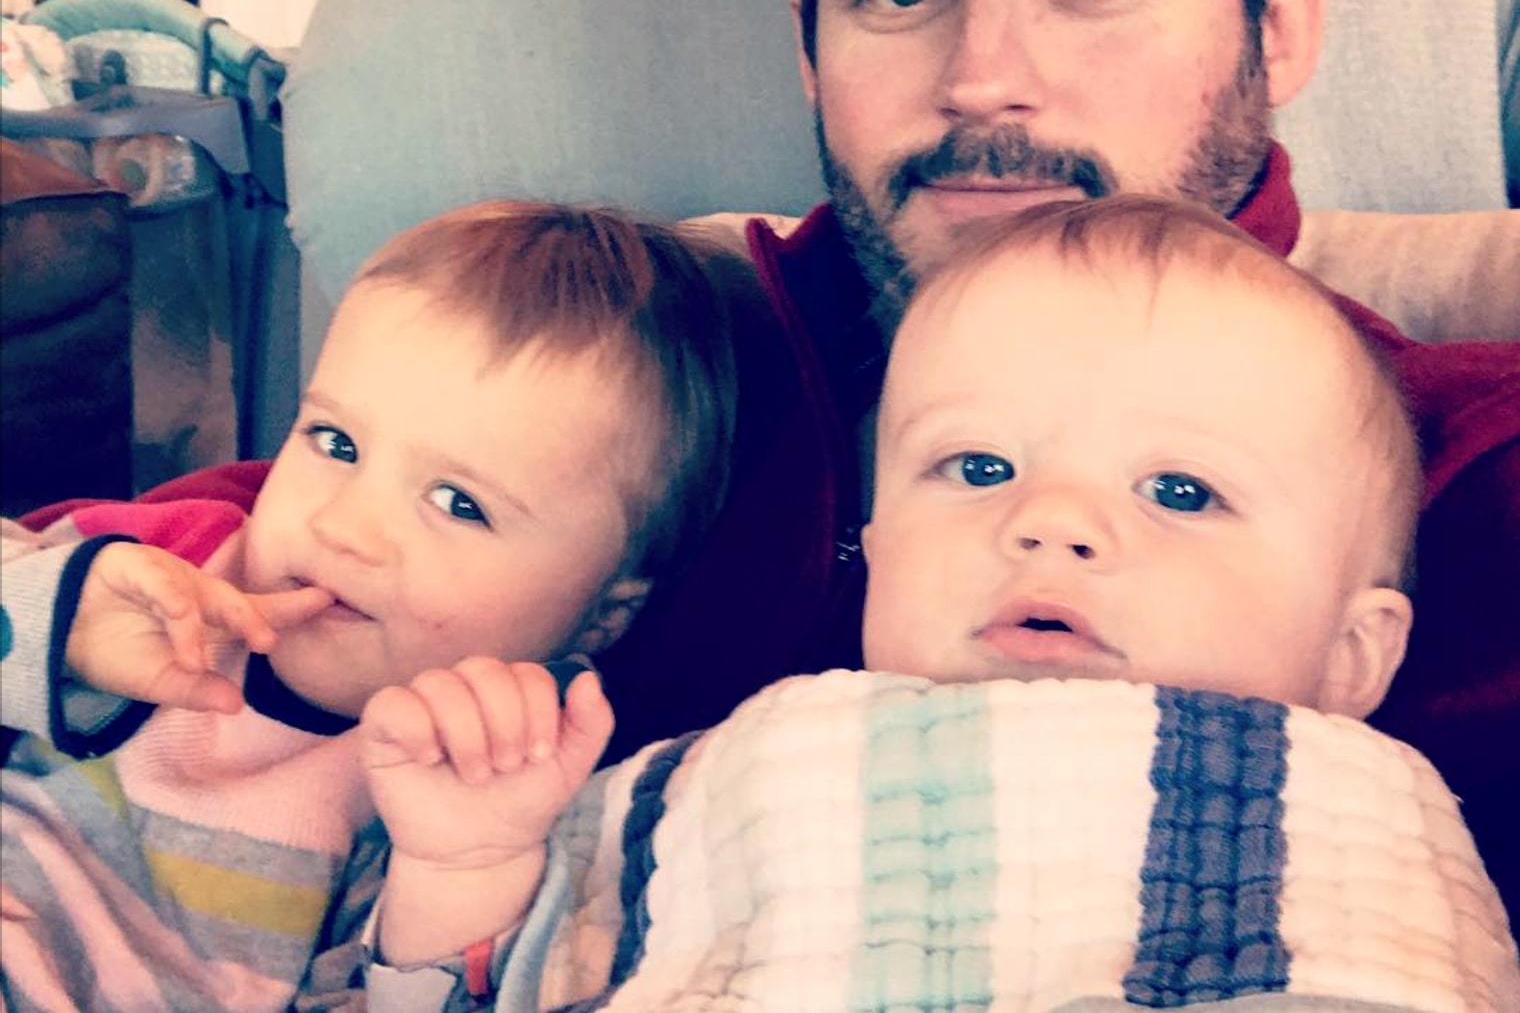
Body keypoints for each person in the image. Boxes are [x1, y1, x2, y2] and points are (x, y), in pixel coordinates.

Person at [582, 0, 1520, 927]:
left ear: (1279, 21)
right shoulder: (648, 367)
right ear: (807, 49)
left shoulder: (1472, 475)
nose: (983, 80)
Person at [356, 198, 1520, 1010]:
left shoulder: (1363, 803)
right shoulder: (718, 765)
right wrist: (466, 868)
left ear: (1351, 654)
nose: (1048, 521)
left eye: (1178, 490)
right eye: (976, 466)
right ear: (871, 551)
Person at [0, 201, 756, 1013]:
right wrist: (59, 623)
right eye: (336, 444)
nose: (344, 526)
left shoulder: (492, 790)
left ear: (602, 617)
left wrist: (457, 873)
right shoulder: (169, 556)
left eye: (459, 503)